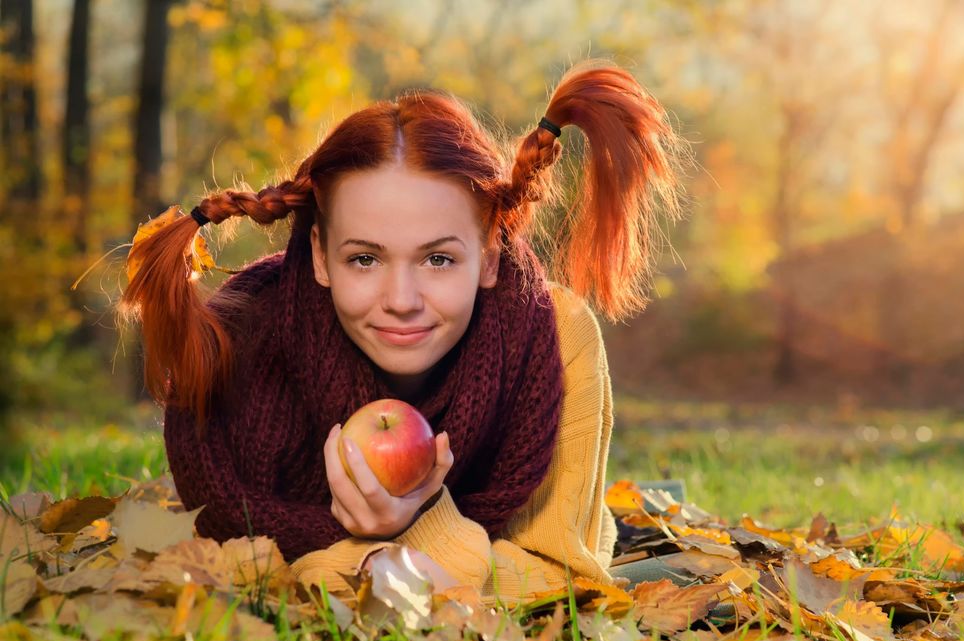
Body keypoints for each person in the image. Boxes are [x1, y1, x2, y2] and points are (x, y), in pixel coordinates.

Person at [119, 60, 689, 601]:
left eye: (438, 260)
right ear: (319, 256)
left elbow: (563, 579)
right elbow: (222, 560)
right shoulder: (236, 342)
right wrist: (388, 561)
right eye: (364, 259)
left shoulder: (554, 338)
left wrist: (402, 532)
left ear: (490, 254)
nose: (401, 302)